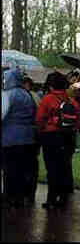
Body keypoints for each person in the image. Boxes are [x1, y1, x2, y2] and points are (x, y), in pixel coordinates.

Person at [36, 71, 80, 209]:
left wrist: (42, 130)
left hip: (51, 137)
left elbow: (39, 119)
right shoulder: (71, 101)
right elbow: (79, 124)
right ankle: (63, 198)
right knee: (64, 167)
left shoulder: (48, 99)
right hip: (69, 137)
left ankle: (51, 199)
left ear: (51, 86)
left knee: (52, 169)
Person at [1, 68, 37, 207]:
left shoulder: (7, 95)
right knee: (22, 169)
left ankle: (9, 197)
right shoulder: (27, 94)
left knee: (9, 170)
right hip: (28, 138)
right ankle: (21, 197)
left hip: (9, 138)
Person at [22, 76, 41, 204]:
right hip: (35, 135)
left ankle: (24, 192)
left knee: (24, 165)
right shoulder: (36, 97)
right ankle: (30, 193)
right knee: (32, 164)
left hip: (25, 136)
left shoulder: (22, 97)